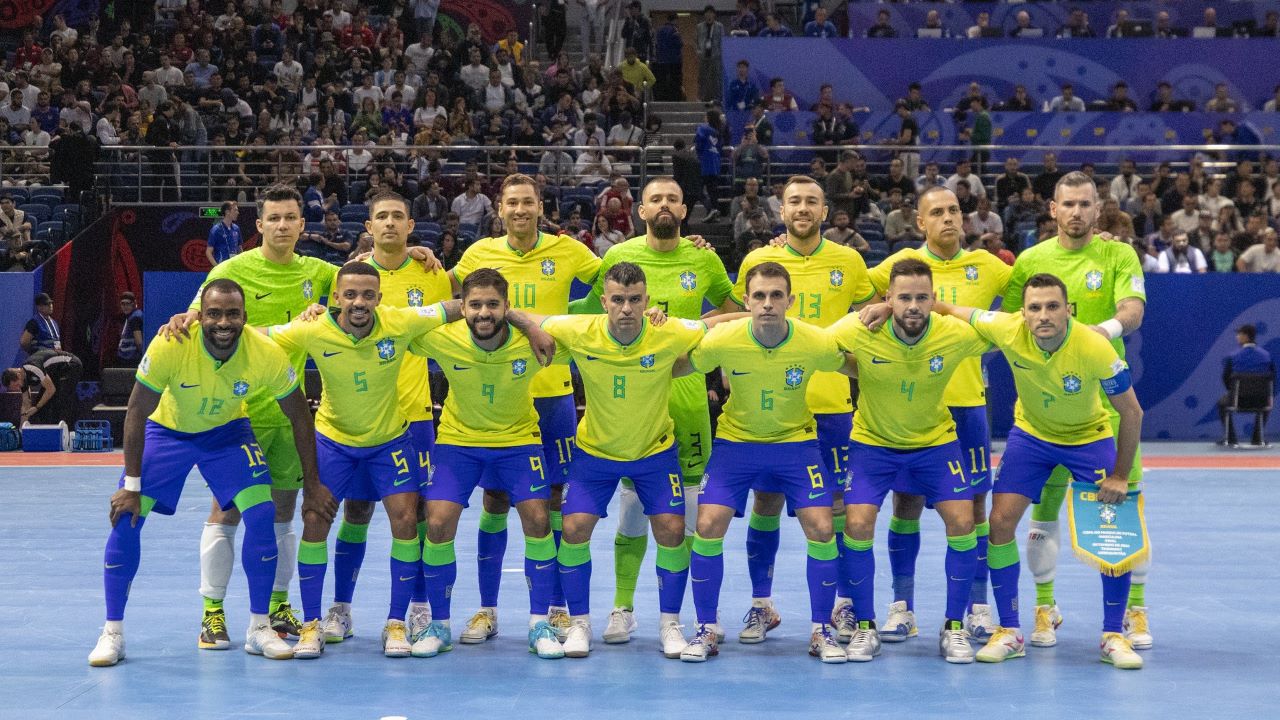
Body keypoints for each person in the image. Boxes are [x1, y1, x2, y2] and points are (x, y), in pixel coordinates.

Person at [161, 185, 426, 650]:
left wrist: (415, 250)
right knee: (228, 511)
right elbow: (196, 318)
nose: (283, 226)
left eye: (291, 218)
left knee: (284, 514)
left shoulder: (319, 272)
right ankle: (213, 614)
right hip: (236, 413)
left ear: (303, 225)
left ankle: (278, 607)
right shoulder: (231, 269)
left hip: (288, 411)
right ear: (259, 225)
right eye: (274, 218)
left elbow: (366, 273)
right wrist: (180, 320)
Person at [86, 279, 321, 667]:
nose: (223, 322)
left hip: (227, 434)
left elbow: (298, 415)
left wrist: (311, 484)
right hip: (167, 432)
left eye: (232, 314)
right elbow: (136, 411)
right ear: (201, 315)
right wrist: (131, 484)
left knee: (262, 514)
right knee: (126, 519)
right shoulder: (171, 343)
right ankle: (113, 633)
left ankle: (259, 627)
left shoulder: (266, 353)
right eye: (213, 313)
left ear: (246, 317)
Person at [931, 273, 1145, 670]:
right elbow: (946, 308)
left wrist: (1118, 475)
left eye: (1052, 306)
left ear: (1067, 310)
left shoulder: (1094, 346)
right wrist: (884, 306)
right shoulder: (1006, 327)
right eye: (1034, 307)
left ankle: (1113, 635)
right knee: (999, 522)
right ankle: (1010, 630)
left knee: (1112, 528)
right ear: (1023, 313)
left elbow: (1131, 411)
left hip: (1087, 436)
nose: (1043, 315)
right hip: (1031, 436)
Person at [268, 263, 458, 659]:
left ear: (379, 298)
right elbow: (256, 336)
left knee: (406, 521)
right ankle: (312, 624)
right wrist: (195, 317)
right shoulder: (311, 328)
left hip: (390, 443)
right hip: (334, 443)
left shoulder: (399, 322)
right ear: (335, 298)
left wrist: (520, 318)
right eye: (350, 294)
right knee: (315, 520)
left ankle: (395, 622)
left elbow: (458, 308)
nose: (359, 302)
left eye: (368, 295)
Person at [583, 177, 738, 644]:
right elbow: (592, 316)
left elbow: (739, 314)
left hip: (689, 402)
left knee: (688, 519)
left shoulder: (704, 257)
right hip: (632, 405)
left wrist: (703, 334)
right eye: (656, 199)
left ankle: (686, 616)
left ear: (685, 210)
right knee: (632, 513)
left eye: (674, 197)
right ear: (641, 210)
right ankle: (622, 609)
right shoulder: (618, 259)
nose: (665, 204)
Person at [449, 174, 604, 638]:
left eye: (528, 202)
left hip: (552, 393)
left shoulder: (569, 250)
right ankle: (488, 610)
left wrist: (571, 324)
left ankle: (556, 606)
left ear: (541, 206)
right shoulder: (479, 254)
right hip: (495, 394)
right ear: (500, 208)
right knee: (494, 500)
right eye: (512, 203)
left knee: (553, 499)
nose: (520, 210)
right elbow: (453, 295)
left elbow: (612, 279)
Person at [1003, 171, 1151, 650]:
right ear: (1053, 209)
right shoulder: (1031, 261)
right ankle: (1045, 608)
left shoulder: (1117, 253)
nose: (1076, 213)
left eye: (1085, 204)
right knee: (1041, 515)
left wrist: (1095, 335)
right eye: (1067, 204)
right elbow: (1011, 323)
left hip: (1106, 406)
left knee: (1123, 512)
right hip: (1046, 411)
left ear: (1098, 207)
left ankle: (1134, 612)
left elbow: (1132, 312)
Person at [858, 186, 1013, 642]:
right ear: (920, 222)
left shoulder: (989, 265)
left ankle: (977, 607)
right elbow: (849, 288)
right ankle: (901, 606)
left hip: (966, 407)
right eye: (937, 212)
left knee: (974, 509)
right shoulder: (898, 264)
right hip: (909, 409)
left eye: (954, 211)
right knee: (904, 505)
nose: (949, 218)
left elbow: (1032, 292)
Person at [537, 262, 714, 658]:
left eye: (635, 300)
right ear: (604, 302)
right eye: (618, 300)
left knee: (670, 530)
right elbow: (530, 319)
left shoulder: (668, 331)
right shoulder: (580, 330)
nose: (627, 309)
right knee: (574, 527)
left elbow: (720, 326)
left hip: (653, 453)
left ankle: (670, 624)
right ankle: (580, 624)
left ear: (647, 301)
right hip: (595, 455)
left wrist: (764, 314)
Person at [679, 261, 854, 663]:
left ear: (791, 301)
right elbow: (679, 365)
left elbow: (857, 365)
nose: (768, 303)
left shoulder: (814, 341)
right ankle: (706, 628)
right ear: (746, 301)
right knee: (706, 524)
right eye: (759, 295)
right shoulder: (725, 338)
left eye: (777, 295)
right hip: (736, 444)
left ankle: (820, 630)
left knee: (823, 527)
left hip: (796, 444)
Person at [826, 259, 992, 663]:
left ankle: (954, 626)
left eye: (922, 297)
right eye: (903, 298)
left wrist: (952, 311)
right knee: (857, 522)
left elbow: (1008, 326)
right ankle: (865, 626)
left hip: (935, 443)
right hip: (872, 445)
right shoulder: (860, 328)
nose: (913, 305)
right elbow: (812, 343)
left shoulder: (952, 333)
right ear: (888, 299)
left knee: (964, 520)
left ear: (934, 300)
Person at [731, 176, 875, 642]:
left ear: (826, 211)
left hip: (832, 405)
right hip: (772, 404)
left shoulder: (850, 261)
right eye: (794, 201)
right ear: (781, 209)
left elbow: (873, 317)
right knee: (766, 503)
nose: (803, 208)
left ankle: (842, 608)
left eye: (812, 201)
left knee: (834, 511)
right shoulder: (758, 261)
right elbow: (739, 322)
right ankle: (761, 605)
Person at [314, 193, 454, 645]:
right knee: (354, 510)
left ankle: (416, 609)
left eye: (397, 216)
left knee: (410, 517)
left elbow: (461, 316)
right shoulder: (352, 275)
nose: (389, 223)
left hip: (412, 418)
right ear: (368, 226)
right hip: (355, 420)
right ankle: (341, 609)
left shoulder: (431, 274)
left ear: (411, 225)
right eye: (381, 216)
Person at [409, 269, 564, 659]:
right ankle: (440, 625)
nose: (483, 313)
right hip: (459, 443)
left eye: (493, 305)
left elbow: (593, 328)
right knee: (438, 521)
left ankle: (538, 623)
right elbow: (396, 326)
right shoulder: (443, 339)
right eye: (474, 304)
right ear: (462, 307)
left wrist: (529, 325)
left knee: (539, 518)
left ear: (507, 308)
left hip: (517, 441)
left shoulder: (534, 343)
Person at [1218, 324, 1275, 446]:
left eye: (1239, 334)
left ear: (1246, 336)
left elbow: (1225, 377)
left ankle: (1231, 439)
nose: (1237, 337)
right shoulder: (1266, 356)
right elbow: (1272, 379)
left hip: (1237, 400)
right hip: (1261, 401)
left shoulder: (1233, 356)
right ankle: (1257, 438)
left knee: (1221, 402)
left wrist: (1232, 392)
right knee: (1267, 398)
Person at [696, 6, 724, 103]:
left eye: (711, 13)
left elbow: (722, 40)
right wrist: (698, 50)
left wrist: (720, 52)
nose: (709, 15)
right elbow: (695, 40)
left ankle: (717, 98)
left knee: (716, 78)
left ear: (714, 14)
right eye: (707, 13)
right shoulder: (699, 26)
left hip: (715, 55)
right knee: (702, 78)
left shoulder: (719, 26)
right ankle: (701, 97)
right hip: (703, 55)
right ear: (704, 14)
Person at [206, 200, 242, 266]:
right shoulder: (216, 230)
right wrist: (217, 267)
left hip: (234, 267)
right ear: (227, 212)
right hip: (222, 268)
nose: (238, 212)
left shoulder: (236, 228)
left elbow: (240, 249)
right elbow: (208, 252)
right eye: (235, 210)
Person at [116, 293, 145, 367]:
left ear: (134, 304)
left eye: (128, 304)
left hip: (130, 358)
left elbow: (139, 342)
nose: (125, 307)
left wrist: (143, 356)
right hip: (128, 357)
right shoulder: (131, 316)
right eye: (123, 304)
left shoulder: (134, 318)